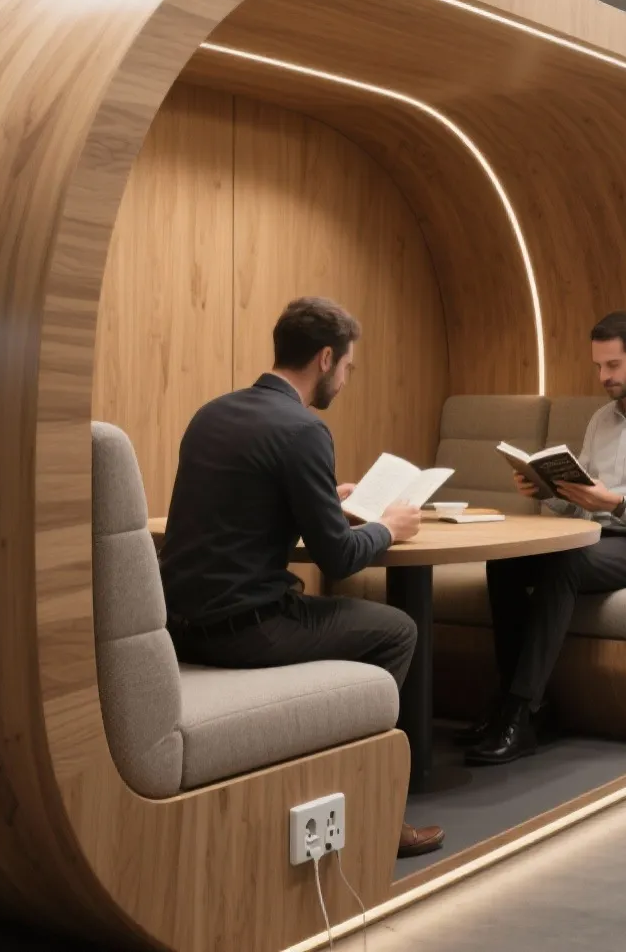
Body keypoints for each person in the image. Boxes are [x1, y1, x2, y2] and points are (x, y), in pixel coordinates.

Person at [156, 296, 444, 858]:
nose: (346, 378)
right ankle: (376, 810)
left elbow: (239, 510)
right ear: (326, 358)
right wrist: (388, 527)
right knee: (398, 630)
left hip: (181, 626)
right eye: (348, 367)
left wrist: (318, 499)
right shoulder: (303, 430)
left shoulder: (212, 413)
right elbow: (337, 558)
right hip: (245, 632)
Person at [462, 311, 626, 766]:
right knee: (506, 564)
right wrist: (549, 491)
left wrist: (614, 504)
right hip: (596, 535)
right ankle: (516, 702)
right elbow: (583, 501)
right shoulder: (601, 420)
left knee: (565, 562)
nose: (604, 376)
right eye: (598, 366)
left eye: (613, 366)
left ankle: (521, 712)